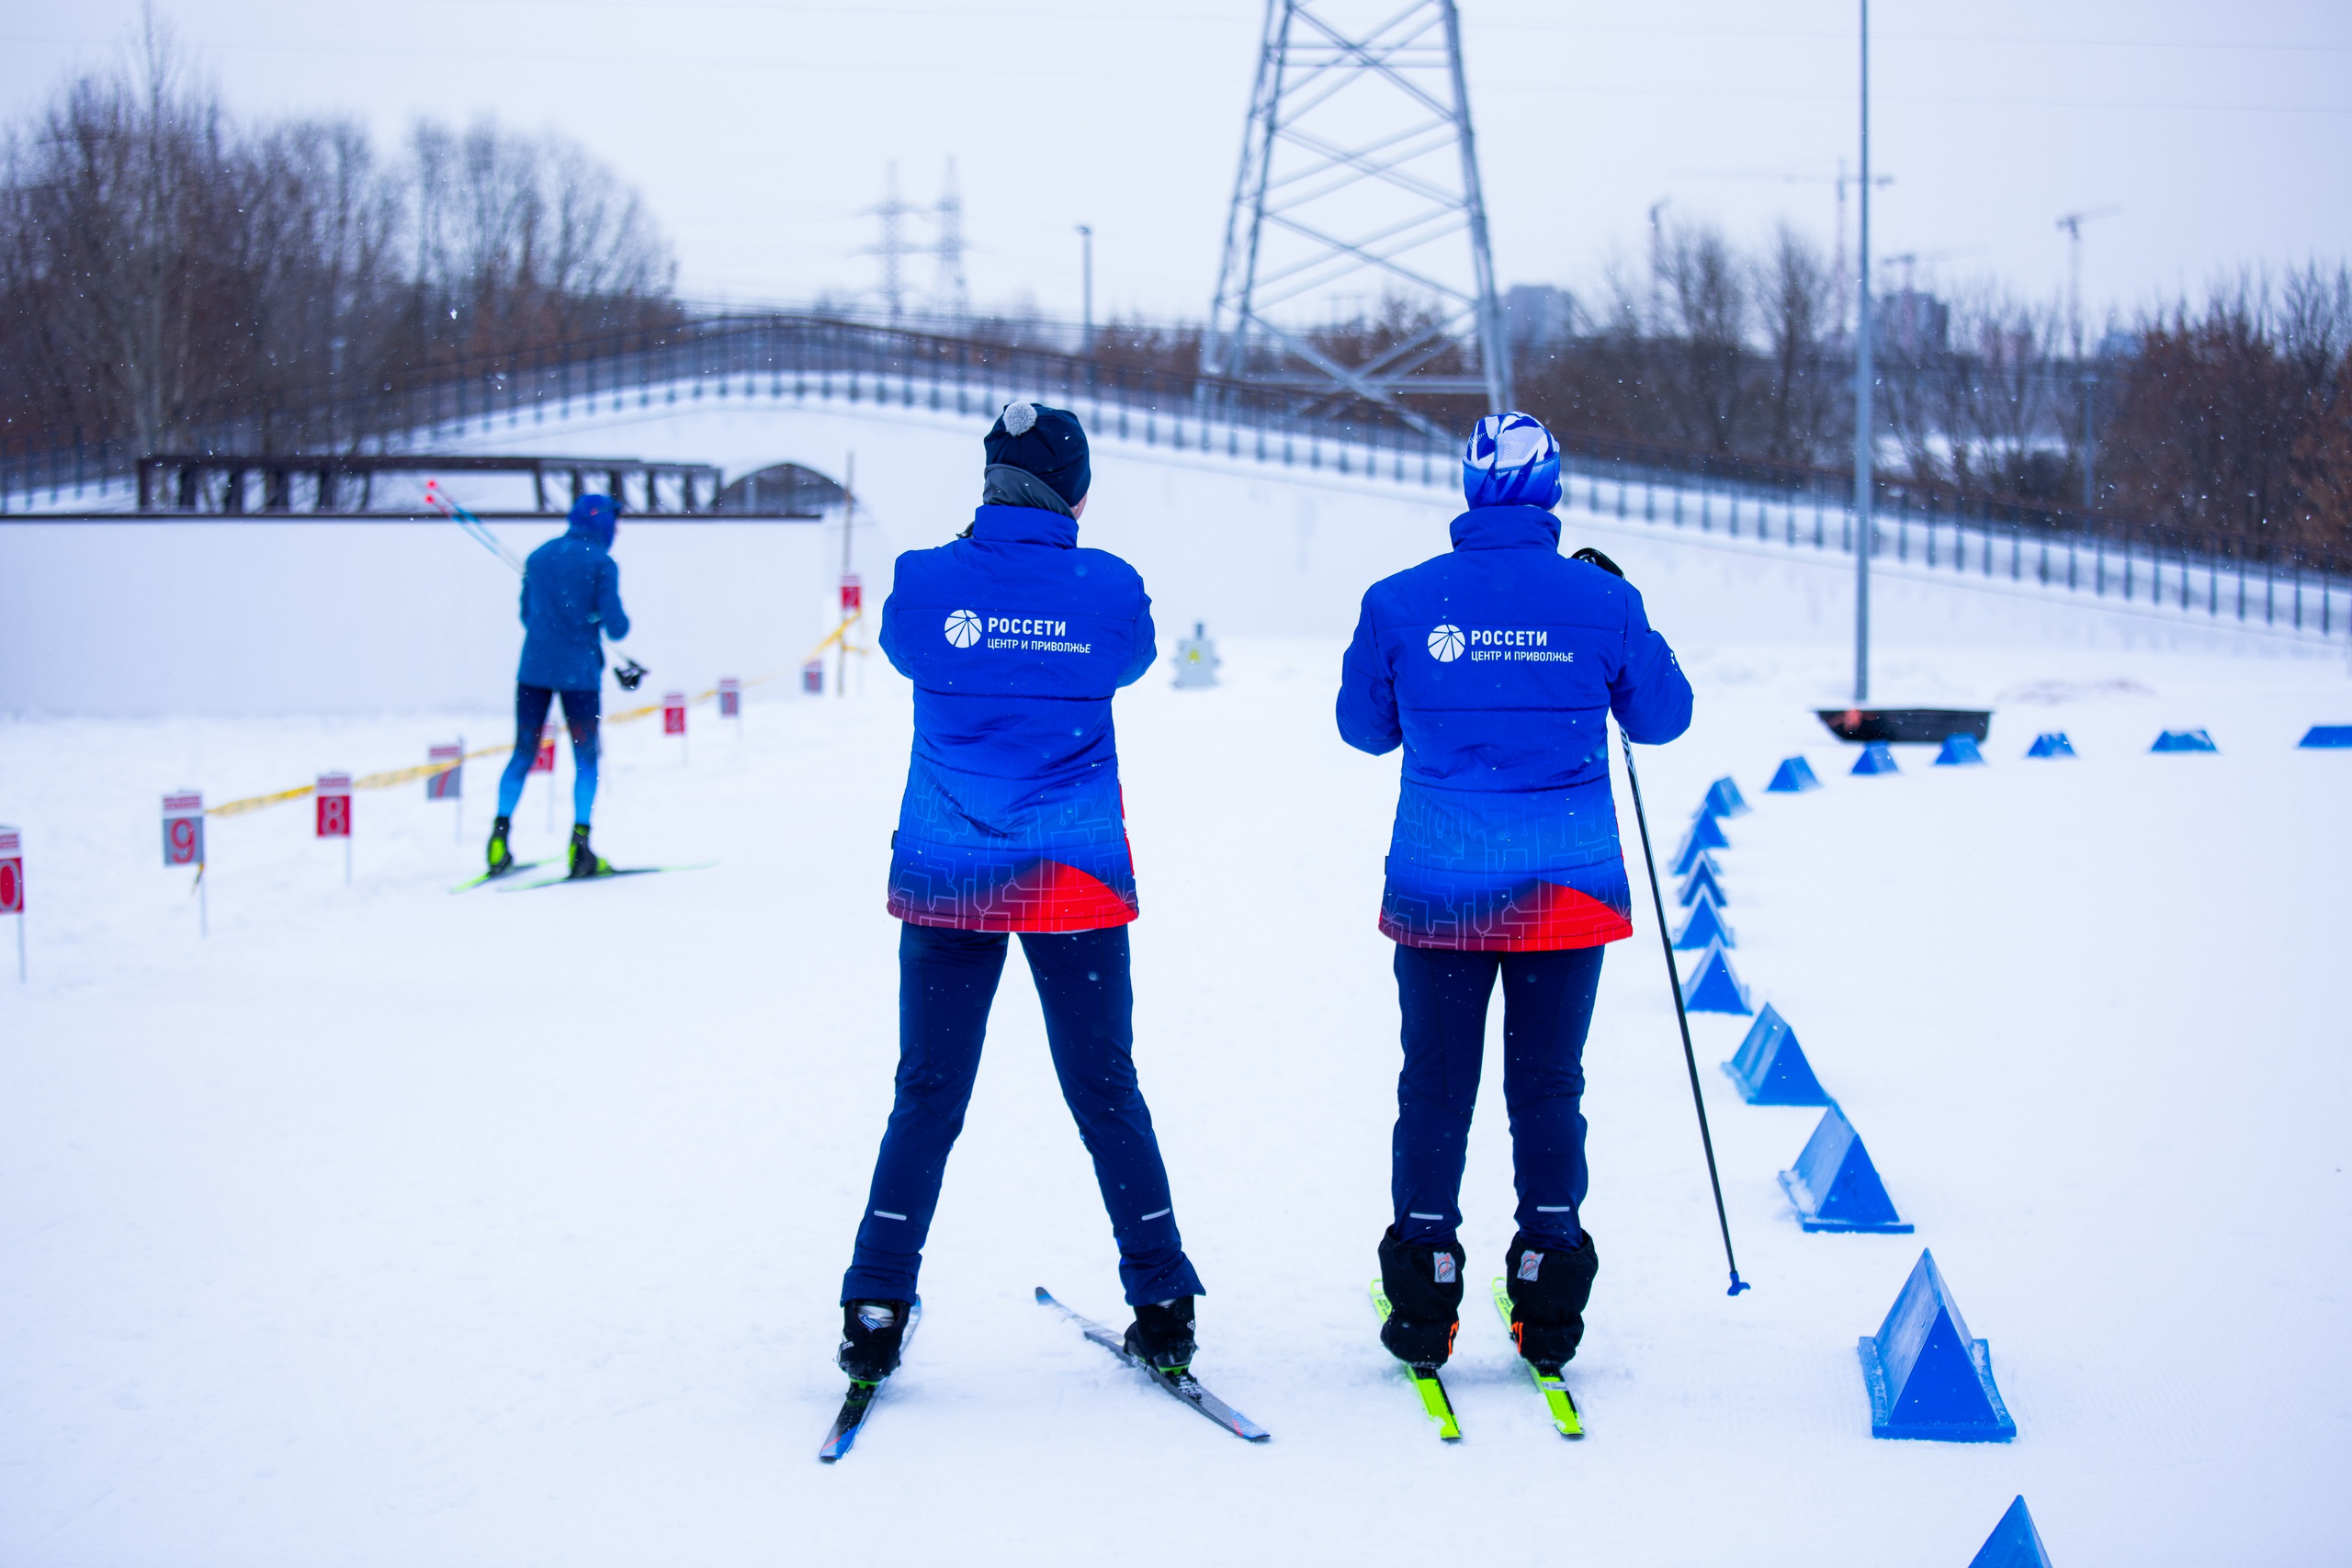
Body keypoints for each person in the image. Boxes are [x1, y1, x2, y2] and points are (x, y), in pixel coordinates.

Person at [835, 400, 1205, 1385]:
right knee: (1105, 1091)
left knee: (926, 1097)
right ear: (1074, 486)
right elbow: (1128, 658)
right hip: (1073, 881)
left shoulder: (923, 581)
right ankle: (1164, 1300)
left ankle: (875, 1301)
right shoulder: (1109, 589)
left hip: (948, 877)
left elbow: (910, 648)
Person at [1335, 411, 1692, 1379]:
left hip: (1440, 889)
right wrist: (1624, 612)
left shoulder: (1399, 600)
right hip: (1562, 889)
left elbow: (1362, 729)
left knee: (1436, 1087)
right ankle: (1548, 1290)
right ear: (1552, 489)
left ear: (1468, 487)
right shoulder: (1598, 601)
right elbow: (1662, 718)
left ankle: (1422, 1288)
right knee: (1546, 1086)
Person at [485, 493, 630, 880]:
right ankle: (580, 846)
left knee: (522, 753)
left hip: (532, 671)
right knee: (586, 759)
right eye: (615, 522)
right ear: (602, 523)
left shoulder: (538, 557)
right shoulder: (602, 563)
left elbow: (526, 615)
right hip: (580, 678)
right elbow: (618, 627)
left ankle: (498, 839)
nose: (617, 530)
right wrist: (593, 616)